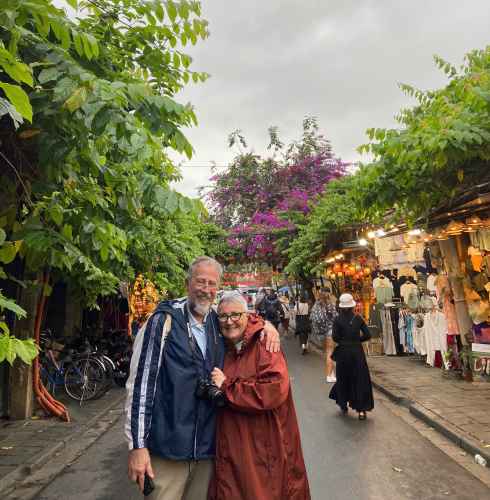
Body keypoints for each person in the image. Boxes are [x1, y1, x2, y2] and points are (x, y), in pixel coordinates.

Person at [125, 256, 280, 499]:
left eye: (211, 284)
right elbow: (140, 386)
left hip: (207, 450)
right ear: (188, 284)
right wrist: (137, 446)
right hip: (167, 450)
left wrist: (266, 326)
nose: (205, 290)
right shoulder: (163, 321)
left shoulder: (216, 323)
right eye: (200, 282)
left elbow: (241, 320)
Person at [209, 292, 311, 500]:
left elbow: (272, 390)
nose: (229, 322)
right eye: (223, 316)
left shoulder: (265, 343)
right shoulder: (221, 345)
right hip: (231, 449)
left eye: (235, 315)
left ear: (247, 315)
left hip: (263, 450)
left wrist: (227, 386)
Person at [328, 293, 374, 420]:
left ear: (342, 307)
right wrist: (357, 340)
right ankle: (362, 410)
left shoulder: (337, 320)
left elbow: (335, 337)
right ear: (352, 305)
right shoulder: (358, 318)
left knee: (343, 378)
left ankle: (343, 404)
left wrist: (344, 340)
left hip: (343, 352)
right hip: (357, 352)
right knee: (360, 379)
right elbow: (368, 335)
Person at [310, 288, 338, 382]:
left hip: (319, 333)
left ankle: (331, 372)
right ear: (329, 294)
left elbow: (312, 318)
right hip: (329, 330)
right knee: (330, 353)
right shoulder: (330, 304)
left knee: (327, 353)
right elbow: (335, 317)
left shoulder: (315, 305)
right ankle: (329, 375)